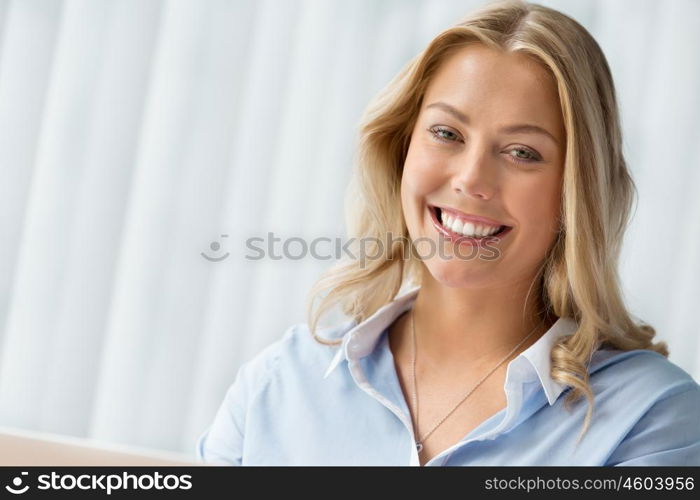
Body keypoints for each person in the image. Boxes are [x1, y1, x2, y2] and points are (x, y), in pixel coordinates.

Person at [196, 0, 700, 466]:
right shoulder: (278, 384)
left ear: (577, 191)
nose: (471, 180)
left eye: (522, 152)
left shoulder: (652, 420)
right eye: (447, 134)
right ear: (401, 150)